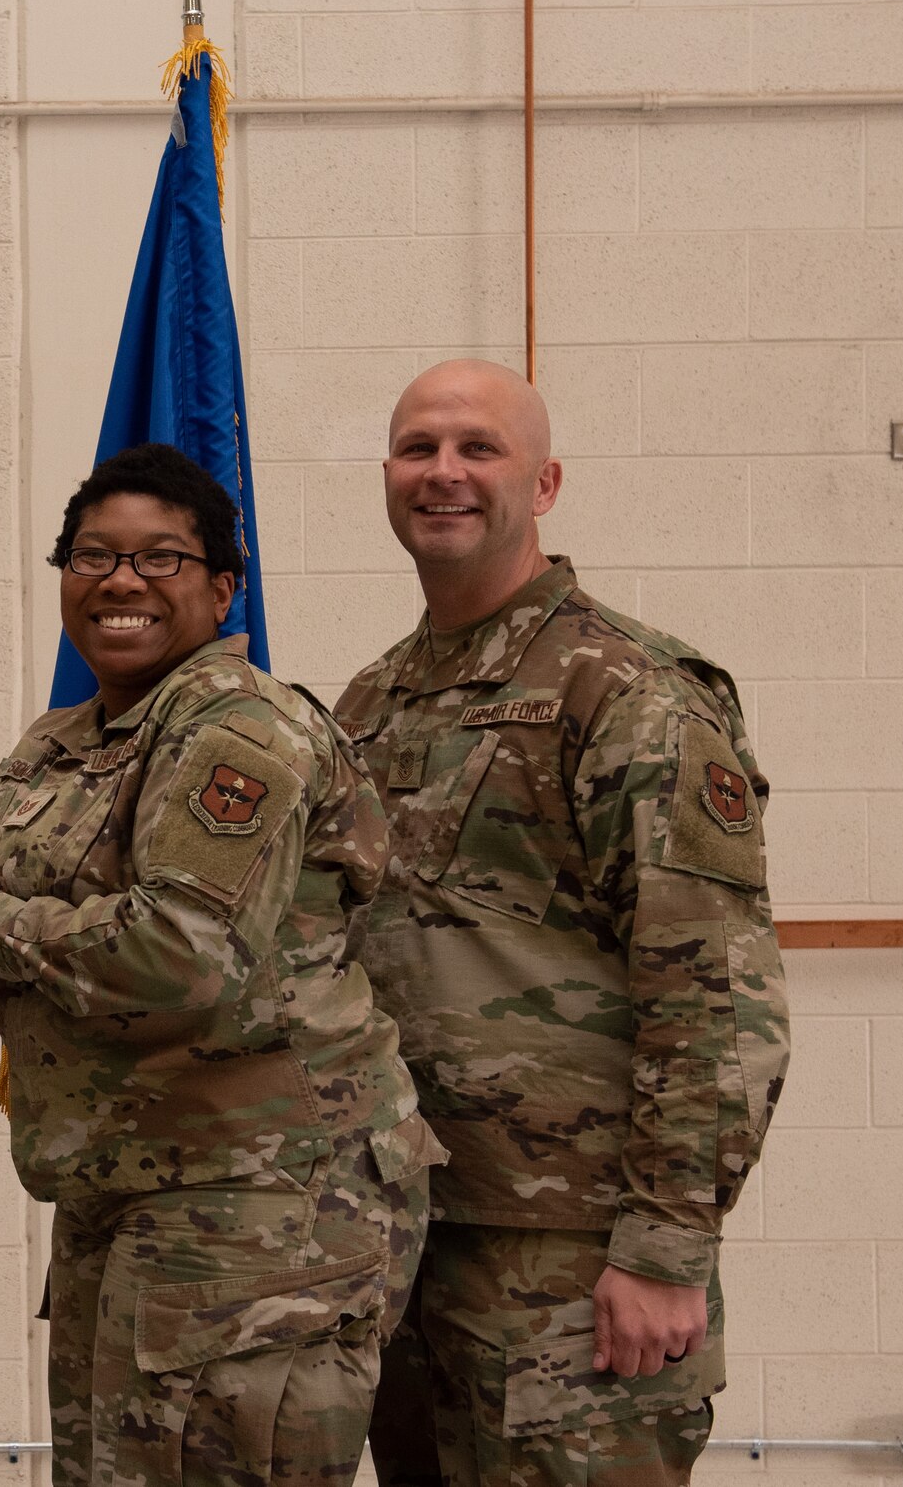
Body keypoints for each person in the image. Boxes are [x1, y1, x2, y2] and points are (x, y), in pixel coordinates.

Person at [0, 443, 445, 1484]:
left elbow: (182, 954)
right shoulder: (51, 751)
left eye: (159, 559)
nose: (119, 580)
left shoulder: (241, 727)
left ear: (221, 587)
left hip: (264, 1213)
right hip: (127, 1205)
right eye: (92, 554)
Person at [336, 360, 791, 1487]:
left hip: (570, 1264)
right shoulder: (372, 698)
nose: (442, 471)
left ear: (541, 483)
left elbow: (713, 992)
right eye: (417, 447)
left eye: (476, 448)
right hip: (404, 1240)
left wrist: (663, 1247)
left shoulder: (625, 689)